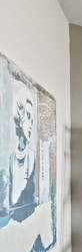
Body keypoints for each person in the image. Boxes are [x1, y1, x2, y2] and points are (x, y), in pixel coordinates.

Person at [8, 86, 36, 221]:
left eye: (32, 119)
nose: (31, 125)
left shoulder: (31, 158)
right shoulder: (11, 158)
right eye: (28, 116)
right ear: (19, 117)